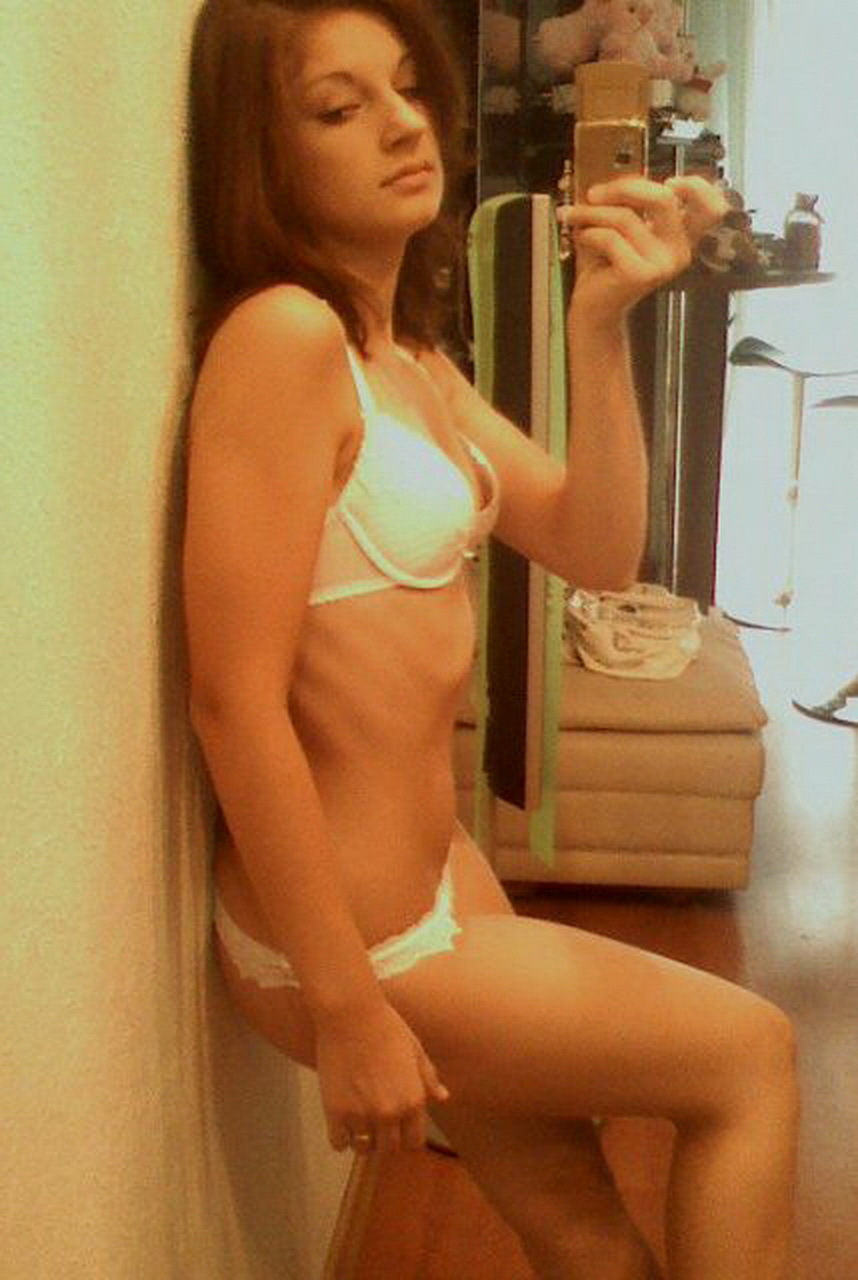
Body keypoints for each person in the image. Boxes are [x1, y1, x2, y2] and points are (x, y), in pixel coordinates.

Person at [183, 2, 799, 1277]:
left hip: (432, 876)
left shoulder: (403, 356)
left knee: (586, 1233)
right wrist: (348, 1006)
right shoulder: (283, 340)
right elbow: (232, 701)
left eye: (407, 89)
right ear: (262, 156)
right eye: (339, 107)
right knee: (751, 1058)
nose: (402, 124)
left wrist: (601, 321)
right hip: (349, 938)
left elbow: (593, 544)